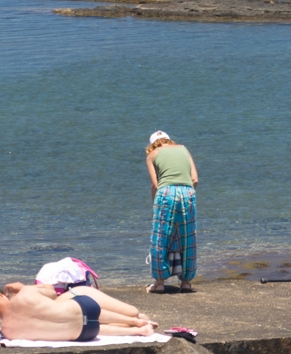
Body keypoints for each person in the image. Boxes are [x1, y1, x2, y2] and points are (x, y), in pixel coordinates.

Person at [0, 283, 158, 341]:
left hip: (85, 333)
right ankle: (135, 322)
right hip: (85, 307)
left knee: (80, 323)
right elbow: (53, 293)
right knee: (133, 313)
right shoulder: (24, 295)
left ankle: (140, 329)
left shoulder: (7, 332)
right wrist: (22, 287)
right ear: (2, 295)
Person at [145, 130, 198, 294]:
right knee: (187, 237)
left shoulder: (152, 155)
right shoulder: (183, 149)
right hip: (187, 192)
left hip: (166, 193)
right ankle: (186, 282)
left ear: (153, 143)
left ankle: (159, 282)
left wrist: (156, 202)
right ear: (168, 140)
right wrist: (185, 194)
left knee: (161, 238)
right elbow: (195, 179)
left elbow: (156, 184)